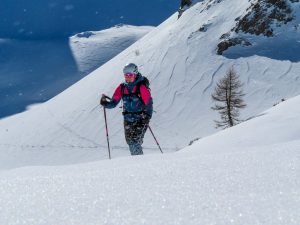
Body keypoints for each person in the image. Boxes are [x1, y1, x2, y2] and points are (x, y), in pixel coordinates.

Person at [100, 63, 153, 155]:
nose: (128, 77)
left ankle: (139, 162)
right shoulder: (122, 87)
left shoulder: (141, 87)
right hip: (128, 119)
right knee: (130, 142)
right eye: (126, 75)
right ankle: (139, 159)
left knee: (134, 142)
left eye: (130, 75)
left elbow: (149, 103)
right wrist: (105, 103)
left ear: (135, 74)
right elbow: (113, 103)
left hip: (141, 119)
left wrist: (147, 117)